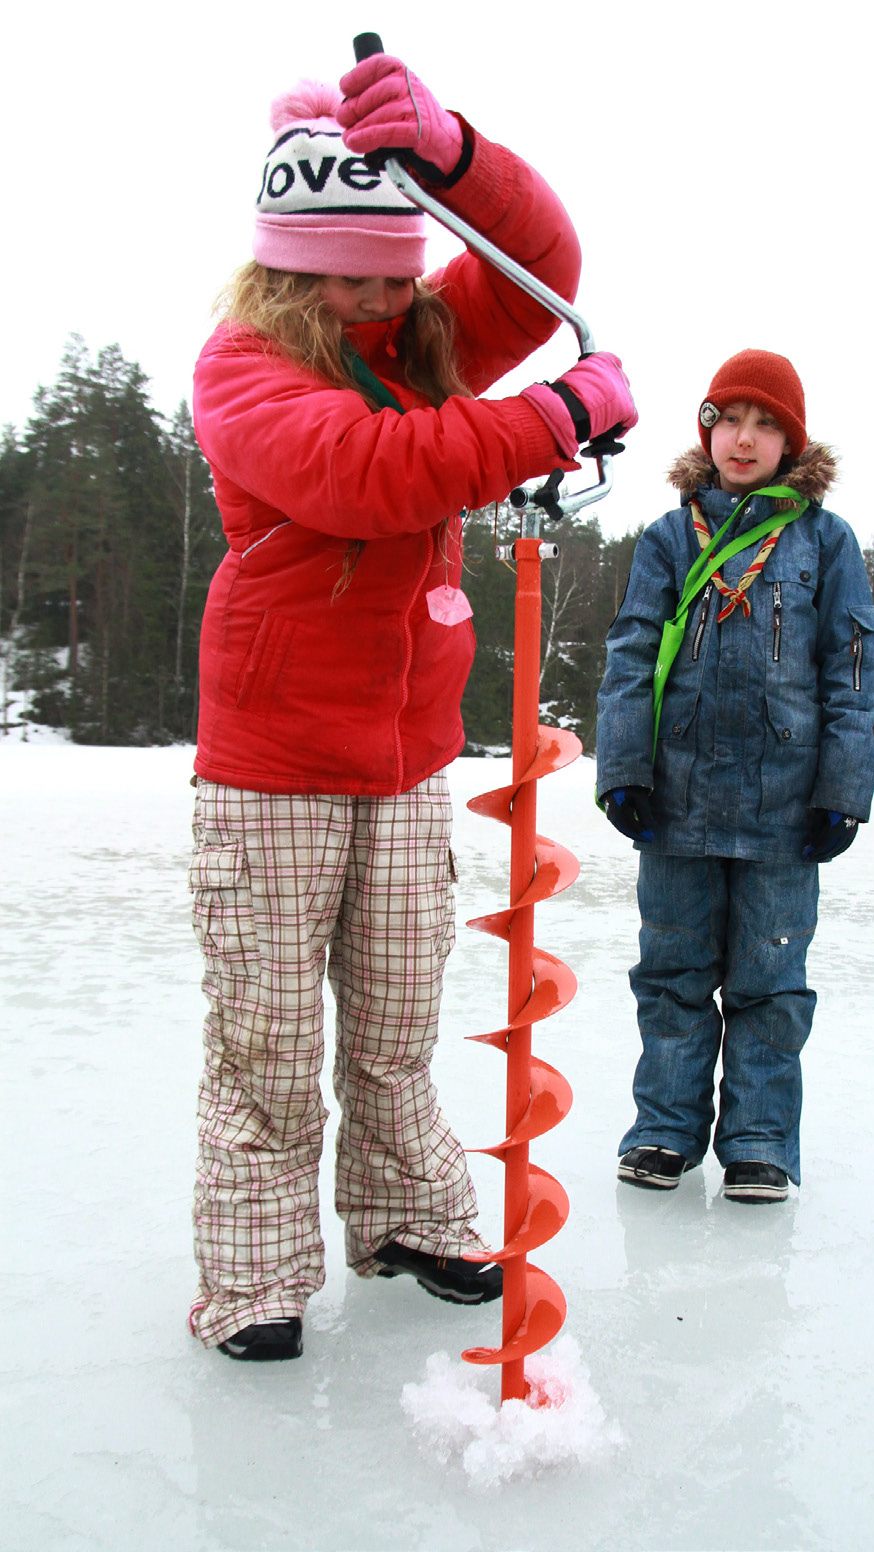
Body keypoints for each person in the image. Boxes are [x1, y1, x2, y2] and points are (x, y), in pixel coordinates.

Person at [187, 54, 637, 1361]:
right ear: (287, 265)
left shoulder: (424, 337)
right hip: (272, 762)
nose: (384, 293)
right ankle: (256, 1281)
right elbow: (368, 474)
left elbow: (537, 255)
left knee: (390, 1026)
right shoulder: (246, 366)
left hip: (403, 758)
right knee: (269, 1043)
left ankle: (403, 1218)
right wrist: (550, 417)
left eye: (399, 265)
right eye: (354, 274)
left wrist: (449, 157)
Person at [595, 350, 874, 1203]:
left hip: (784, 809)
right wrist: (623, 768)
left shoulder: (824, 541)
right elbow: (630, 654)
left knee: (769, 979)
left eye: (765, 424)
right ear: (707, 433)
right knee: (672, 973)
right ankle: (664, 1130)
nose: (743, 439)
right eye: (728, 420)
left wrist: (840, 790)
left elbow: (853, 670)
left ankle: (758, 1139)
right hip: (675, 802)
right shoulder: (670, 536)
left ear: (790, 441)